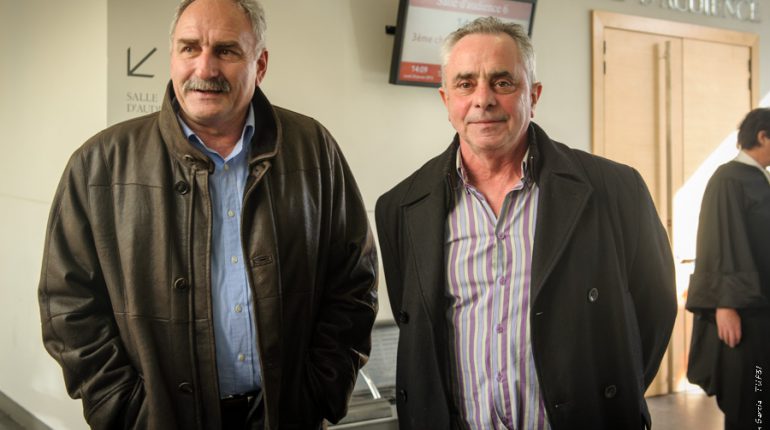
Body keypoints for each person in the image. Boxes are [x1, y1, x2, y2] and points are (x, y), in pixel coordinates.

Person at [37, 0, 378, 428]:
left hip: (285, 415)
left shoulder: (314, 149)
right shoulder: (99, 164)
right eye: (189, 48)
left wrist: (320, 389)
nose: (205, 68)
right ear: (172, 57)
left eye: (226, 51)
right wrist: (124, 409)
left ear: (261, 63)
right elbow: (67, 305)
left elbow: (353, 281)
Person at [375, 17, 677, 429]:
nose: (483, 100)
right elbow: (417, 328)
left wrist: (607, 394)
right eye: (465, 84)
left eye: (502, 82)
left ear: (533, 96)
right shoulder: (401, 207)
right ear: (446, 101)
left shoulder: (614, 189)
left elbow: (655, 307)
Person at [686, 108, 770, 430]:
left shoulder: (760, 178)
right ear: (762, 136)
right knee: (753, 396)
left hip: (763, 307)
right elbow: (718, 243)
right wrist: (724, 304)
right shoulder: (728, 179)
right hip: (744, 312)